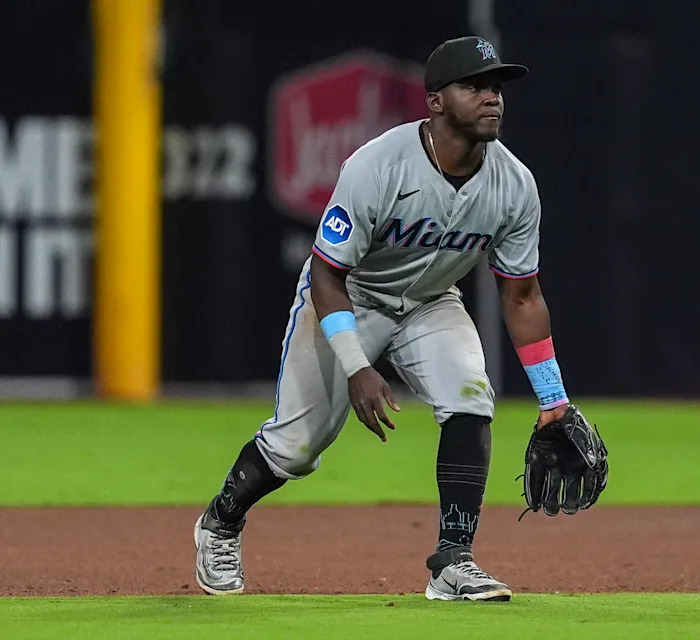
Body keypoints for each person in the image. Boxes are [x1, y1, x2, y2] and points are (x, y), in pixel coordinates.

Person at [194, 36, 599, 602]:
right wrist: (358, 365)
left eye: (497, 87)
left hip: (431, 301)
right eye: (475, 86)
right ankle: (221, 520)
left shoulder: (514, 184)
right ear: (435, 102)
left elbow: (523, 296)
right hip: (349, 297)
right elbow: (327, 273)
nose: (492, 98)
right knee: (295, 448)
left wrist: (552, 399)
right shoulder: (377, 166)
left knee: (470, 398)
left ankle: (454, 561)